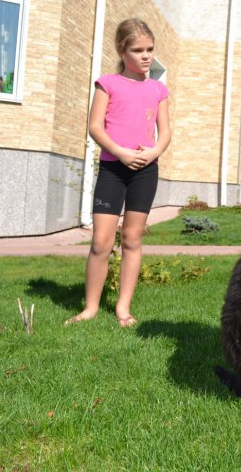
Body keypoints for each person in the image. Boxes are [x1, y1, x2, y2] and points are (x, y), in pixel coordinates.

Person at [65, 18, 171, 327]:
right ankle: (90, 308)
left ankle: (123, 309)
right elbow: (95, 126)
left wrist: (152, 153)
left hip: (144, 171)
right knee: (101, 241)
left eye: (150, 49)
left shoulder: (158, 89)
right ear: (121, 50)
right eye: (138, 50)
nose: (146, 56)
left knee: (132, 238)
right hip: (113, 168)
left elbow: (164, 132)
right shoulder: (107, 83)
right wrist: (121, 153)